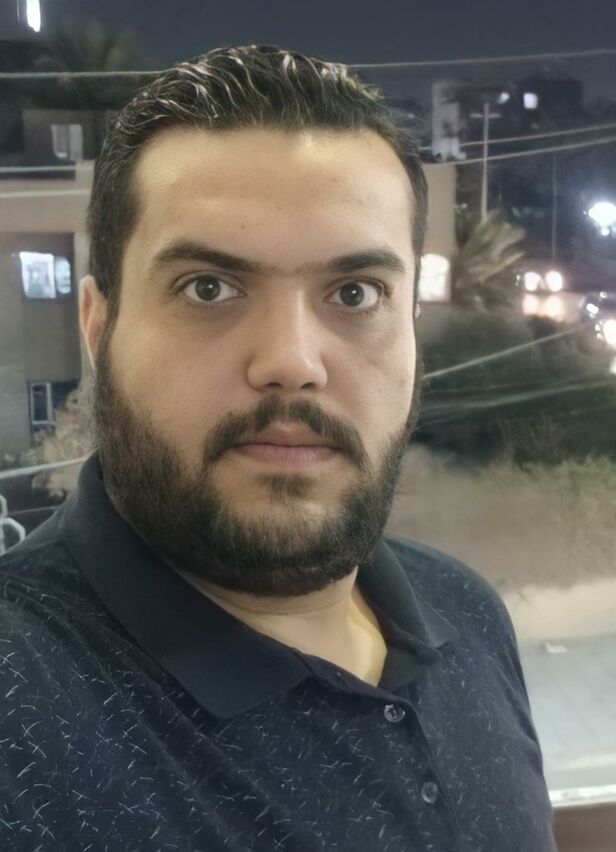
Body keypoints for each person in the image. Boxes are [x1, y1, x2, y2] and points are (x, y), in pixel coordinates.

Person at [0, 45, 557, 851]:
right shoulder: (21, 698)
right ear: (99, 327)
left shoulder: (468, 613)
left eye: (355, 293)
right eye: (208, 288)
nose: (292, 362)